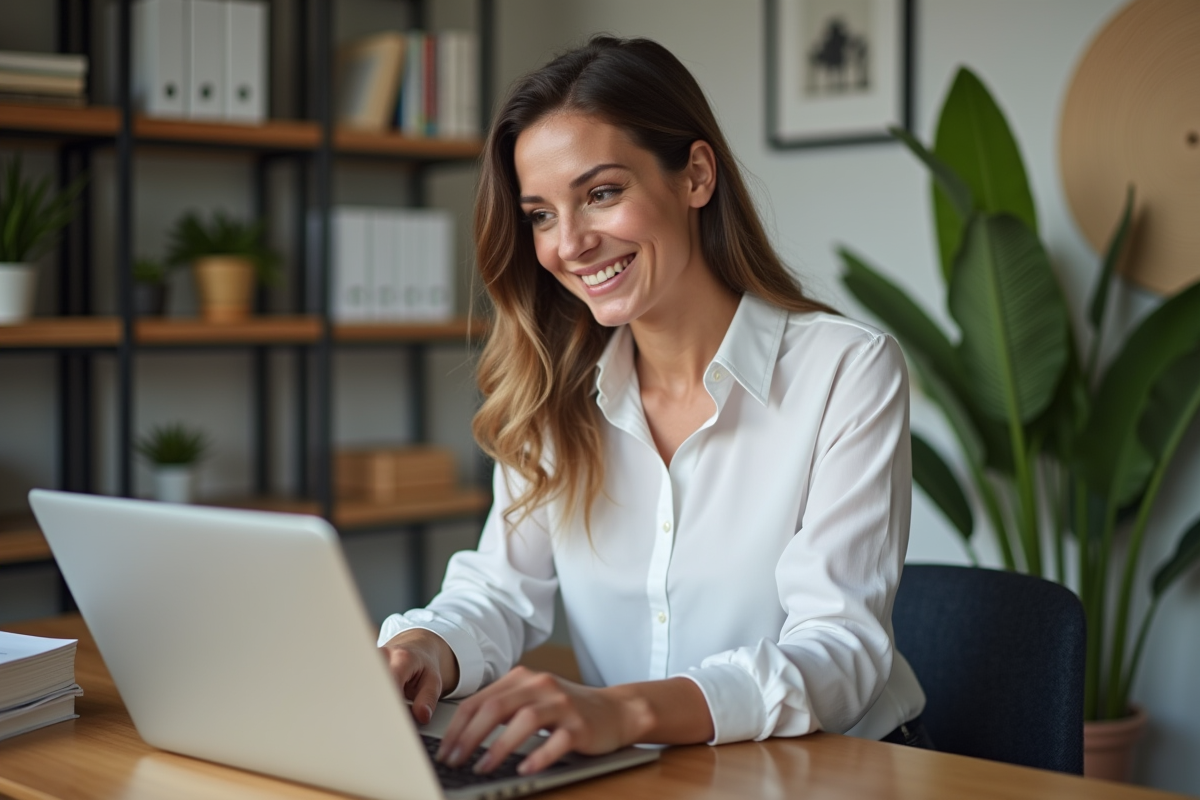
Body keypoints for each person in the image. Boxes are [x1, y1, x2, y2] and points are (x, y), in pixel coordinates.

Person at [378, 35, 928, 777]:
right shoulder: (555, 390)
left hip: (826, 775)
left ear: (695, 176)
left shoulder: (846, 371)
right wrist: (426, 650)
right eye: (540, 214)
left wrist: (627, 709)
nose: (569, 243)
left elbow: (839, 653)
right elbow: (501, 591)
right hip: (634, 774)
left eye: (601, 193)